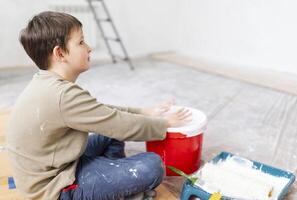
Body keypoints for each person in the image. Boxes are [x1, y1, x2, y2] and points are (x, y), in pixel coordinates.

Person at [6, 11, 191, 200]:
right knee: (152, 165)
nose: (89, 48)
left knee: (109, 134)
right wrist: (165, 124)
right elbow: (121, 125)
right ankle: (113, 185)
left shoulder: (48, 83)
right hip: (54, 187)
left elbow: (104, 114)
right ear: (60, 53)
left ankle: (112, 184)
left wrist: (145, 112)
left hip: (61, 163)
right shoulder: (62, 95)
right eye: (81, 42)